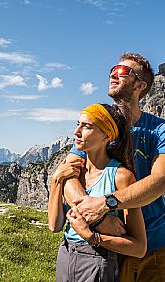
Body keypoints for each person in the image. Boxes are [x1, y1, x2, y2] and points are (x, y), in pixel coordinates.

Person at [63, 53, 165, 282]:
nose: (113, 74)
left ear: (140, 85)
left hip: (158, 245)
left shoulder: (161, 129)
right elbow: (69, 175)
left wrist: (105, 204)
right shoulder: (97, 124)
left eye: (122, 71)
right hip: (115, 245)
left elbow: (161, 181)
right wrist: (96, 219)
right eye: (112, 69)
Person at [48, 103, 146, 282]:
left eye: (86, 126)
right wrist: (56, 180)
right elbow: (54, 226)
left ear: (107, 136)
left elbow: (139, 247)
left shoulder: (121, 177)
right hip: (66, 253)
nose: (77, 131)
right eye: (78, 124)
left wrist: (93, 237)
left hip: (98, 259)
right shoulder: (72, 172)